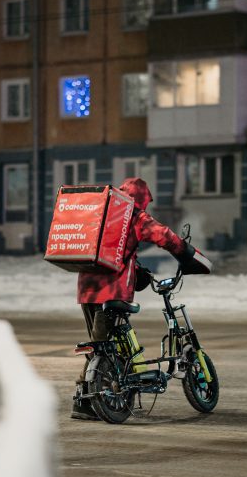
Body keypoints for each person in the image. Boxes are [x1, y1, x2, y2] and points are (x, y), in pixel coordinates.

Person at [72, 177, 192, 420]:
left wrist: (136, 270)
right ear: (141, 199)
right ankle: (85, 401)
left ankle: (95, 397)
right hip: (112, 291)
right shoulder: (134, 216)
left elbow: (115, 250)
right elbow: (163, 235)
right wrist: (185, 251)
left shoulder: (104, 214)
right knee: (102, 348)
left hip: (87, 288)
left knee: (99, 344)